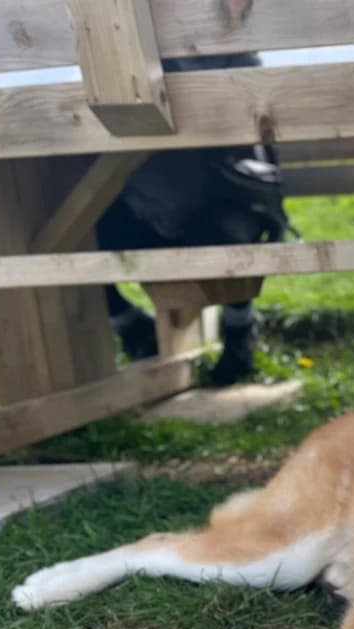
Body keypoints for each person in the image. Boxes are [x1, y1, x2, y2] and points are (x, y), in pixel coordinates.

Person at [97, 54, 291, 387]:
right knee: (85, 232)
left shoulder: (232, 44)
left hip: (228, 194)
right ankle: (128, 322)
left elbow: (253, 105)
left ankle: (238, 327)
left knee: (229, 237)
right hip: (154, 201)